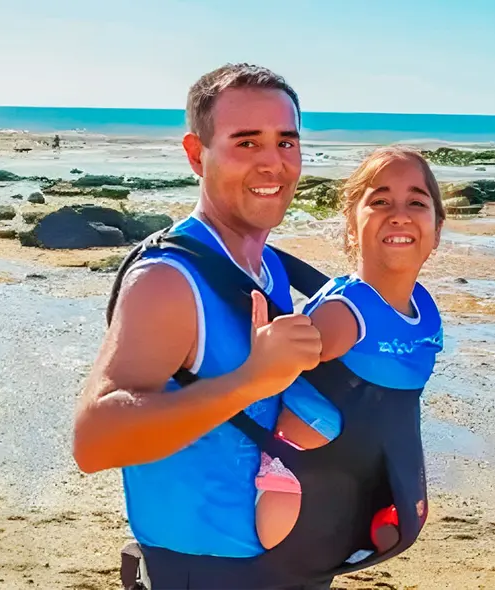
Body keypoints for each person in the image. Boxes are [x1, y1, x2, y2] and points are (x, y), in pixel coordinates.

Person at [72, 63, 330, 589]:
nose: (273, 164)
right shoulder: (168, 281)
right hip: (203, 571)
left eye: (286, 142)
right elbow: (93, 441)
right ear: (196, 154)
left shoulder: (270, 267)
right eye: (246, 142)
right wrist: (250, 381)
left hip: (282, 563)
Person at [253, 147, 446, 555]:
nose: (399, 213)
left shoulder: (424, 309)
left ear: (437, 228)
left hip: (362, 470)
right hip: (297, 480)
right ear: (352, 227)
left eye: (416, 201)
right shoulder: (347, 311)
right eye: (379, 202)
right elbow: (287, 360)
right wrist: (268, 343)